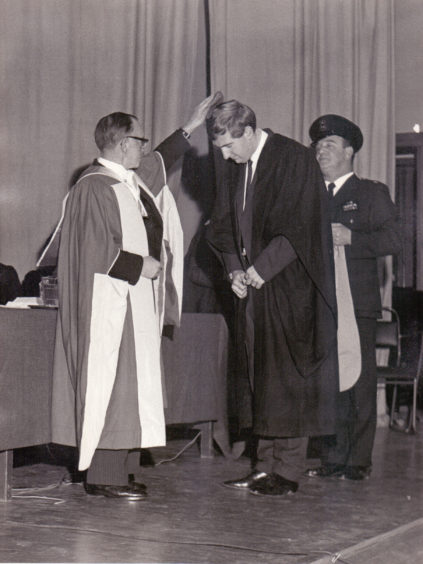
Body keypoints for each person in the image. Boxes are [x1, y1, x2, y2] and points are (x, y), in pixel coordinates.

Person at [51, 93, 222, 500]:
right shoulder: (93, 188)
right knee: (115, 384)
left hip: (133, 303)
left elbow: (160, 159)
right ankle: (104, 477)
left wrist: (191, 126)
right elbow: (93, 250)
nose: (144, 147)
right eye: (140, 140)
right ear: (122, 143)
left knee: (133, 385)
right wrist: (139, 265)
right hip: (108, 306)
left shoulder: (129, 181)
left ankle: (122, 471)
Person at [206, 100, 338, 496]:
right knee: (257, 377)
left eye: (230, 146)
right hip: (252, 286)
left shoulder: (293, 158)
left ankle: (288, 471)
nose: (226, 156)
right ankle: (263, 467)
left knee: (287, 377)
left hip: (288, 286)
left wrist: (261, 270)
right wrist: (233, 269)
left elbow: (300, 226)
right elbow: (224, 225)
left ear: (248, 132)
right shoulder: (236, 166)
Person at [306, 114, 401, 481]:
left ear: (349, 151)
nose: (321, 152)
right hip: (319, 304)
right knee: (328, 383)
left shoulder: (370, 193)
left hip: (357, 305)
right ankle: (331, 457)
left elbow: (393, 240)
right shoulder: (311, 193)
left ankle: (357, 461)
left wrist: (353, 239)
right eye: (318, 146)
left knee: (358, 382)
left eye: (329, 145)